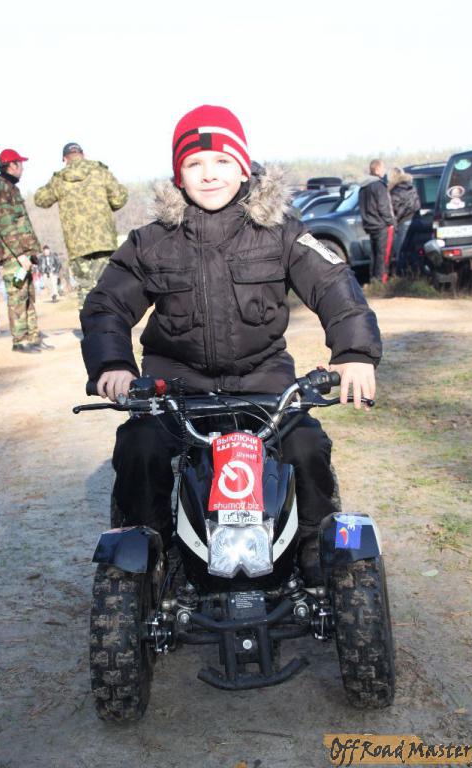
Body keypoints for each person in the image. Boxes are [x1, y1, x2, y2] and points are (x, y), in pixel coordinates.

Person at [80, 105, 382, 585]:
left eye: (222, 161)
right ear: (178, 176)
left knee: (306, 445)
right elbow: (106, 305)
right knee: (139, 447)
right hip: (176, 389)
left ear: (244, 167)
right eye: (194, 164)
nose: (209, 174)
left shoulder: (281, 231)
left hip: (265, 386)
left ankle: (311, 551)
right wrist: (112, 364)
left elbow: (333, 284)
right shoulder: (150, 241)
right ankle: (152, 558)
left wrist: (354, 354)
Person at [34, 142, 128, 309]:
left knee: (86, 289)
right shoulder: (100, 171)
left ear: (64, 159)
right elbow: (119, 199)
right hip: (104, 241)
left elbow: (40, 199)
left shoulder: (59, 179)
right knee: (109, 286)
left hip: (77, 245)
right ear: (83, 154)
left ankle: (90, 322)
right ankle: (111, 321)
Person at [0, 148, 53, 353]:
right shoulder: (0, 189)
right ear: (12, 165)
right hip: (13, 257)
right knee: (17, 297)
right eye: (20, 164)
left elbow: (22, 224)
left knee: (29, 296)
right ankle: (20, 340)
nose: (22, 168)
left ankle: (32, 337)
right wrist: (20, 255)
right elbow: (6, 226)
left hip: (24, 255)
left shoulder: (11, 188)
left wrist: (31, 252)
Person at [359, 159, 395, 283]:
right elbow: (383, 207)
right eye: (383, 168)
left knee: (374, 255)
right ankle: (381, 281)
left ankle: (373, 279)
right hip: (381, 225)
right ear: (377, 169)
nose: (384, 170)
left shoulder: (363, 187)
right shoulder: (379, 186)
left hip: (369, 224)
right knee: (382, 255)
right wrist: (391, 221)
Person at [388, 167, 421, 275]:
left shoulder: (395, 190)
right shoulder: (411, 187)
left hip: (404, 222)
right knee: (413, 249)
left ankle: (401, 275)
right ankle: (416, 272)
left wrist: (395, 221)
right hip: (416, 219)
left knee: (401, 250)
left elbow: (395, 209)